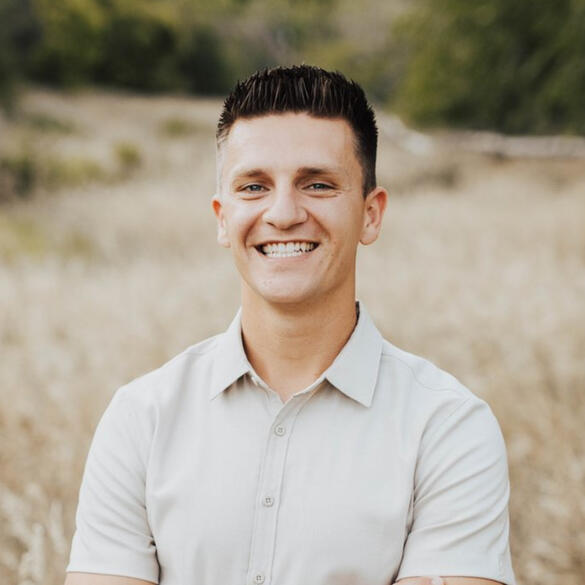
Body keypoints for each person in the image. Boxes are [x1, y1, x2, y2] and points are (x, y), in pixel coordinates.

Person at [65, 65, 515, 585]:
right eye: (254, 186)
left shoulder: (448, 428)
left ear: (371, 214)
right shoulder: (141, 419)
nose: (282, 213)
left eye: (317, 184)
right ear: (222, 217)